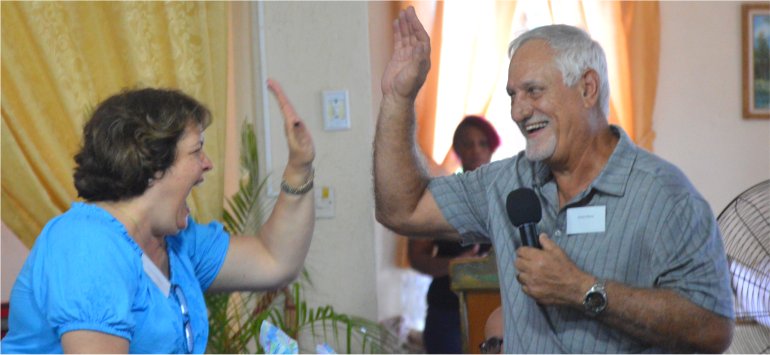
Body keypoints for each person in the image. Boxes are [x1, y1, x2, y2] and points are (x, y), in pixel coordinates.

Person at [373, 7, 735, 353]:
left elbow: (714, 328)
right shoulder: (504, 182)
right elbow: (402, 210)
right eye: (513, 96)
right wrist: (398, 98)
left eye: (534, 91)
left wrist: (583, 290)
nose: (518, 112)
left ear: (587, 88)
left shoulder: (665, 196)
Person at [1, 79, 315, 353]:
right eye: (196, 151)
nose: (207, 164)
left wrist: (299, 168)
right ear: (152, 165)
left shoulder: (176, 243)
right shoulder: (88, 245)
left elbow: (274, 260)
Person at [408, 115, 499, 353]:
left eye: (482, 143)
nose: (476, 150)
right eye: (468, 144)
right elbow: (417, 257)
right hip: (446, 309)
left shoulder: (506, 193)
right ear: (457, 149)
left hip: (497, 306)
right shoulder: (440, 196)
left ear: (492, 148)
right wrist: (454, 265)